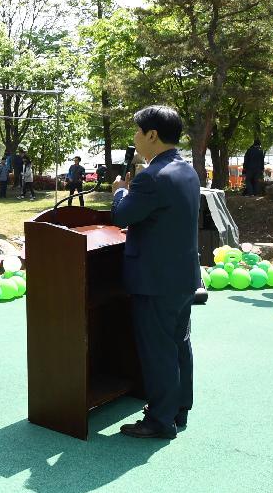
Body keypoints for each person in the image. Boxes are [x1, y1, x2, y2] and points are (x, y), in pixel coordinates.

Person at [111, 105, 199, 440]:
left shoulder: (150, 177)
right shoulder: (186, 170)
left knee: (159, 351)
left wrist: (120, 189)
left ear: (151, 135)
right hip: (181, 277)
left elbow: (121, 217)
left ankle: (160, 421)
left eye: (137, 132)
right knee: (179, 345)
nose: (135, 138)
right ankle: (179, 409)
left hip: (154, 282)